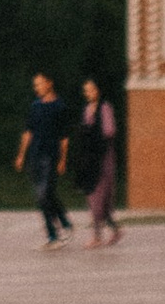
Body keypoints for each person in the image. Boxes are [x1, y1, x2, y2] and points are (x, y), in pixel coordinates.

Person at [15, 74, 73, 247]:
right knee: (45, 195)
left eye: (40, 84)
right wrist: (21, 155)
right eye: (35, 85)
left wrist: (63, 160)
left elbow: (64, 137)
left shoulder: (60, 107)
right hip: (35, 155)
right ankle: (64, 221)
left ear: (49, 83)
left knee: (43, 194)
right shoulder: (35, 106)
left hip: (51, 156)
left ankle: (53, 235)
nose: (37, 87)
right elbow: (28, 132)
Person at [73, 80, 122, 247]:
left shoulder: (105, 108)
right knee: (93, 197)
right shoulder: (87, 109)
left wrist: (92, 133)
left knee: (101, 199)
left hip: (104, 159)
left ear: (98, 90)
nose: (89, 93)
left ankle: (98, 236)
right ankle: (110, 231)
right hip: (90, 159)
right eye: (86, 91)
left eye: (92, 90)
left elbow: (109, 131)